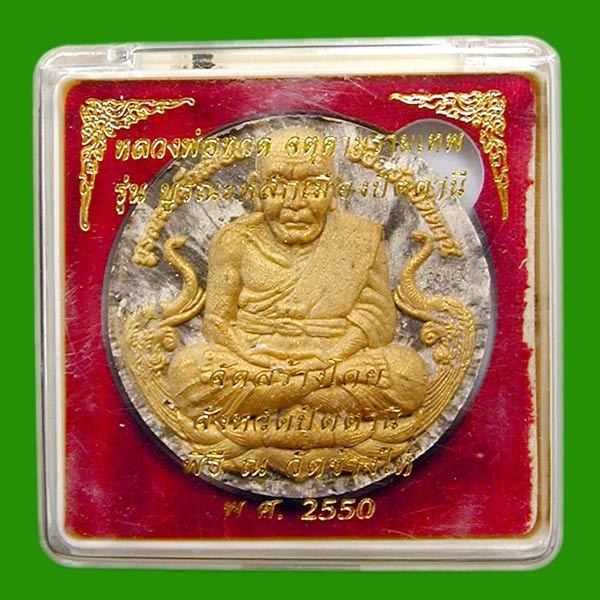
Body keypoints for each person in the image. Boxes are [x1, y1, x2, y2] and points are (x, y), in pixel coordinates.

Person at [168, 127, 428, 420]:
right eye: (278, 187)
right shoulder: (234, 240)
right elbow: (217, 322)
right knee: (188, 372)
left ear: (333, 191)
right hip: (257, 364)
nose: (295, 202)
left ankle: (277, 399)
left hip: (335, 360)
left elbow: (377, 321)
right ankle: (312, 398)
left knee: (407, 373)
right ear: (256, 189)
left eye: (313, 187)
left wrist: (329, 359)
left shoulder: (360, 238)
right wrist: (250, 356)